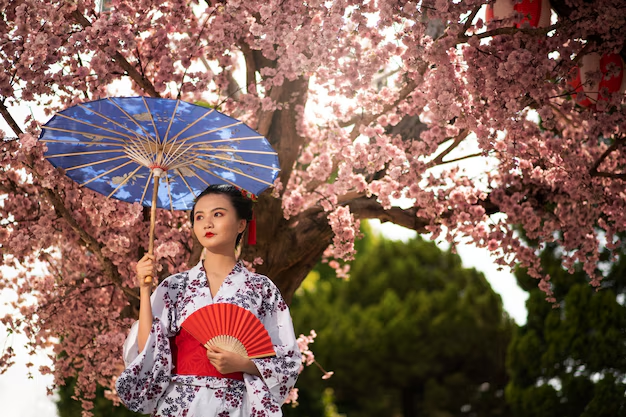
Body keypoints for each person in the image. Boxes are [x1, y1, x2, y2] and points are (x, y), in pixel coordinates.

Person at [115, 184, 300, 417]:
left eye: (218, 214)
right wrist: (144, 289)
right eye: (199, 216)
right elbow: (147, 350)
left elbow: (287, 362)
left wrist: (243, 364)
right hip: (180, 403)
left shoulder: (262, 289)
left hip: (237, 404)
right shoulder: (175, 286)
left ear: (241, 224)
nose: (207, 223)